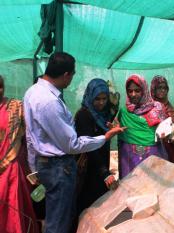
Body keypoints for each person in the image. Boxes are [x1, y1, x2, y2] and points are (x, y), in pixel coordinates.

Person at [24, 52, 125, 233]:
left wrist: (34, 166)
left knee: (57, 217)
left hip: (47, 164)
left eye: (104, 98)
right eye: (72, 75)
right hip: (59, 167)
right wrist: (105, 137)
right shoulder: (50, 102)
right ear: (66, 75)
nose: (101, 103)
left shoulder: (32, 92)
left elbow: (31, 135)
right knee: (59, 222)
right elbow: (72, 145)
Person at [74, 78, 119, 216]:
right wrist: (104, 172)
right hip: (88, 168)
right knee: (86, 207)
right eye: (97, 99)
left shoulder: (104, 115)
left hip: (101, 166)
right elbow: (88, 146)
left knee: (100, 208)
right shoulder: (84, 115)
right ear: (90, 96)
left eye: (104, 98)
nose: (101, 103)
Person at [0, 76, 39, 233]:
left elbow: (30, 134)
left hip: (12, 165)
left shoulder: (16, 106)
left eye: (0, 86)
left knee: (13, 206)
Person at [118, 74, 167, 179]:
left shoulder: (157, 108)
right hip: (129, 158)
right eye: (130, 91)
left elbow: (167, 130)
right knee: (131, 188)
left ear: (144, 90)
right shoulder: (123, 111)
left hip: (152, 156)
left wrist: (167, 135)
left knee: (151, 187)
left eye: (137, 90)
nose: (133, 94)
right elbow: (117, 131)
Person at [150, 75, 174, 166]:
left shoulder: (171, 109)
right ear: (153, 89)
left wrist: (173, 139)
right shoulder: (149, 108)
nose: (162, 90)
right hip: (154, 147)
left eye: (165, 88)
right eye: (159, 88)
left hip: (170, 149)